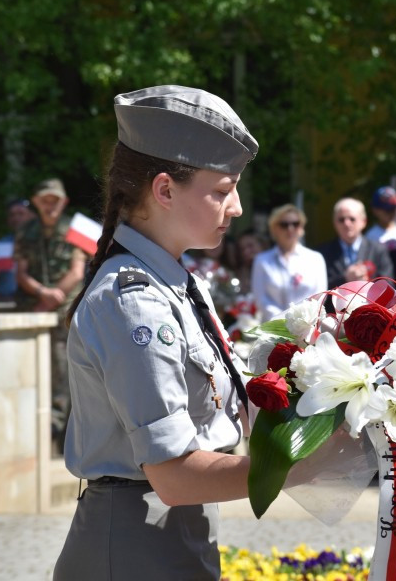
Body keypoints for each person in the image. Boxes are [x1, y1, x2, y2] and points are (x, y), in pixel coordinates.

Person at [54, 86, 259, 580]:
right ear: (164, 190)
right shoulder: (135, 302)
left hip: (167, 533)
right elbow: (173, 475)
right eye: (222, 189)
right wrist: (297, 470)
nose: (236, 207)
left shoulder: (180, 284)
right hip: (133, 543)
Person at [15, 178, 87, 453]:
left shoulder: (75, 230)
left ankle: (59, 436)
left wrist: (54, 295)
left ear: (64, 202)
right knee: (33, 373)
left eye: (55, 200)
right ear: (35, 201)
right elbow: (20, 272)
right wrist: (41, 292)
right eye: (44, 200)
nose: (49, 205)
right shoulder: (26, 231)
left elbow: (77, 271)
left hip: (64, 313)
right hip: (33, 311)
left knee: (63, 374)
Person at [251, 203, 327, 321]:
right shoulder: (261, 260)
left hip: (308, 327)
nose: (290, 229)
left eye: (295, 224)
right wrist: (284, 322)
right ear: (274, 229)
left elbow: (320, 296)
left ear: (302, 228)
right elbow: (261, 300)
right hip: (273, 328)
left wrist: (301, 322)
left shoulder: (315, 259)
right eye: (284, 225)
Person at [317, 197, 392, 288]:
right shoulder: (322, 253)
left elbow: (388, 286)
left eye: (352, 219)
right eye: (341, 219)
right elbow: (319, 289)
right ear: (334, 223)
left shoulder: (378, 250)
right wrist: (345, 279)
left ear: (363, 222)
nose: (346, 223)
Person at [0, 198, 36, 303]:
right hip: (4, 304)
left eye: (21, 213)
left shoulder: (43, 243)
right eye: (12, 215)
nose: (16, 218)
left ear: (32, 215)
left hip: (36, 303)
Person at [365, 185, 396, 250]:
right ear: (375, 210)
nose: (391, 213)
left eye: (394, 208)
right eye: (387, 210)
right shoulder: (370, 237)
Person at [233, 228, 268, 295]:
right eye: (242, 249)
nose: (246, 252)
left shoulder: (276, 266)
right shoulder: (241, 273)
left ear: (262, 244)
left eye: (250, 246)